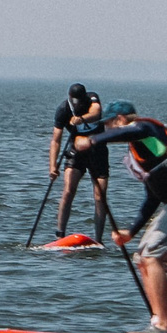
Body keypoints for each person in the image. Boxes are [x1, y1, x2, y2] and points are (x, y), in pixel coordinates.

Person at [91, 100, 167, 333]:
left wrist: (92, 141)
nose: (107, 130)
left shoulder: (146, 129)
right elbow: (152, 196)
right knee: (142, 258)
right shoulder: (140, 151)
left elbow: (134, 130)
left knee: (151, 254)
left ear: (121, 120)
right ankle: (157, 320)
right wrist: (131, 232)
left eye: (109, 124)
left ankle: (164, 326)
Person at [49, 83, 111, 240]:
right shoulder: (63, 110)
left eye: (80, 101)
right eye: (75, 102)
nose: (78, 104)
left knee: (100, 196)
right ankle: (60, 235)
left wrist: (81, 119)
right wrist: (52, 166)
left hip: (98, 151)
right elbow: (56, 140)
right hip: (76, 151)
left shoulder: (92, 98)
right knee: (68, 190)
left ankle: (99, 239)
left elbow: (96, 113)